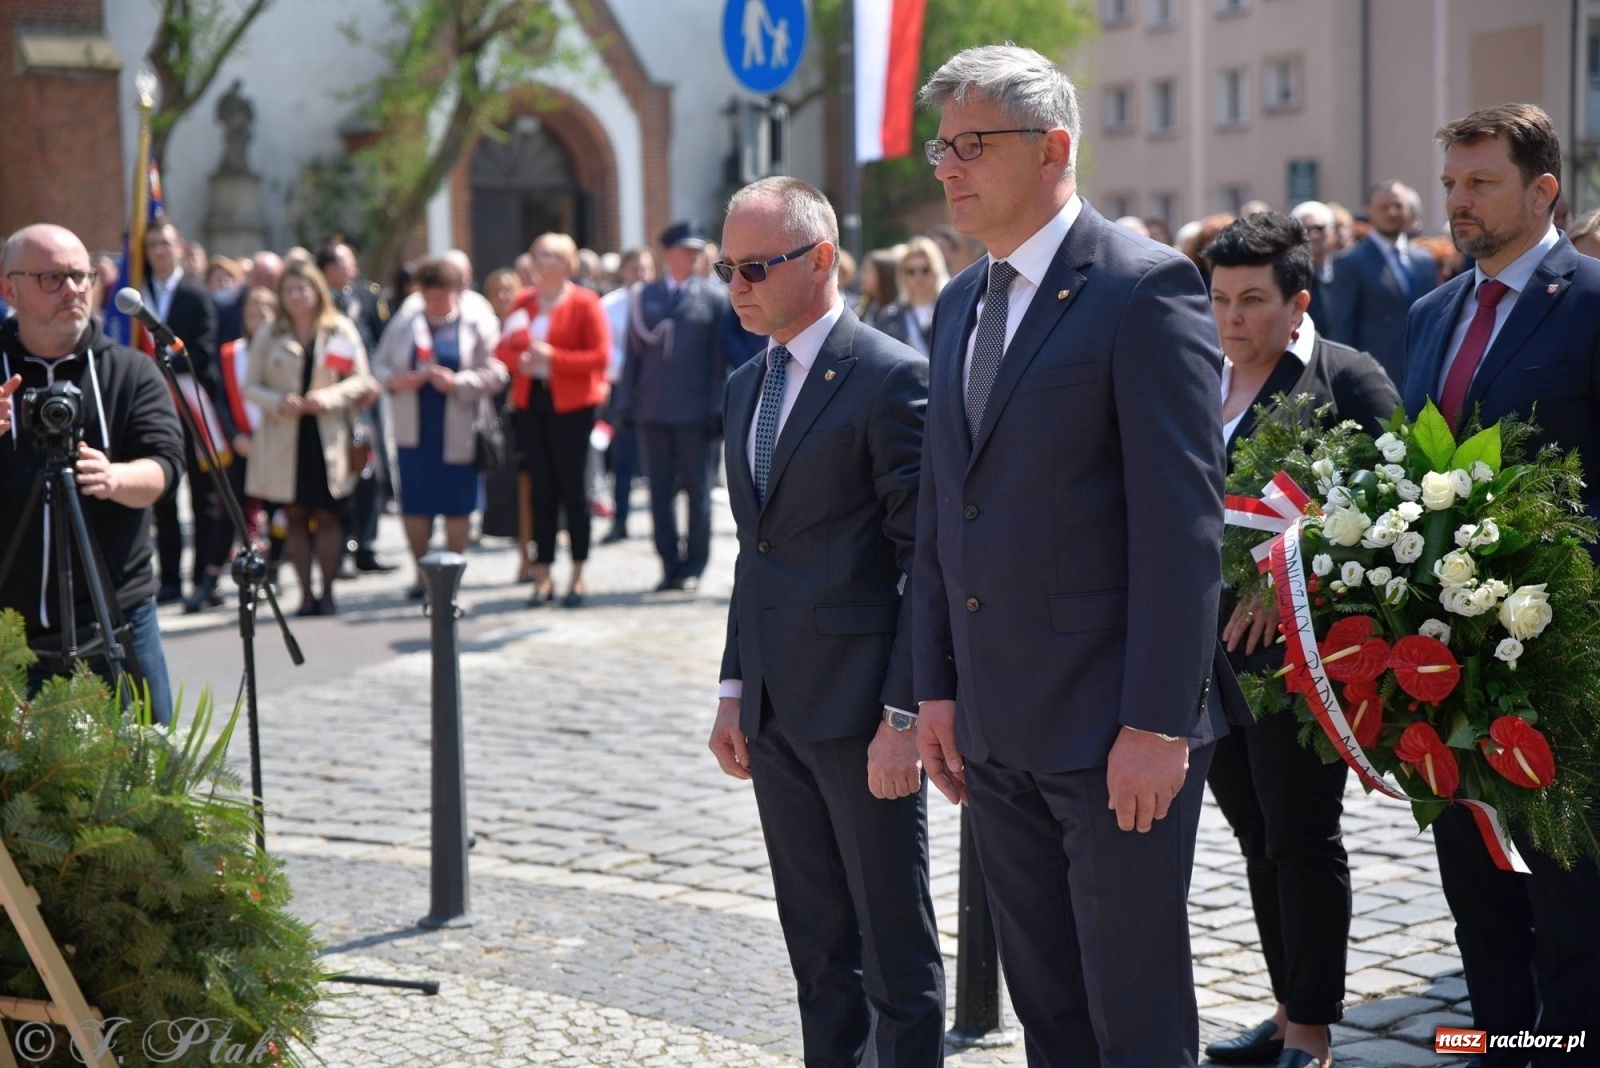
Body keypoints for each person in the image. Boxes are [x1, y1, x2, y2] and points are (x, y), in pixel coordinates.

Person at [910, 45, 1251, 1067]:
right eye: (942, 145)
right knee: (1048, 1009)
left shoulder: (1144, 289)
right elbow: (942, 513)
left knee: (1132, 1012)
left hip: (1113, 729)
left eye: (973, 144)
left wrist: (1156, 722)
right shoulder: (959, 301)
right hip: (994, 721)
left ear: (1054, 147)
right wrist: (931, 689)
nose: (948, 166)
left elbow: (1182, 526)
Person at [707, 176, 942, 1067]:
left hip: (862, 715)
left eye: (757, 266)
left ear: (822, 260)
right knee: (816, 947)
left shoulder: (890, 377)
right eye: (728, 267)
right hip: (773, 713)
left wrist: (903, 715)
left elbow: (923, 559)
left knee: (894, 949)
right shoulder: (742, 385)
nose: (739, 286)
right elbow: (753, 551)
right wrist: (734, 690)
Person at [1401, 102, 1600, 1068]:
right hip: (1441, 665)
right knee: (1472, 877)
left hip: (1560, 658)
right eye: (1450, 185)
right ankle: (1497, 1045)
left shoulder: (1594, 302)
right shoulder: (1430, 314)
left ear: (1542, 189)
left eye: (1479, 183)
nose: (1458, 203)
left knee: (1566, 889)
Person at [1202, 213, 1399, 1068]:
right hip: (1202, 655)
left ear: (1298, 302)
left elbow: (1401, 515)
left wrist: (1285, 579)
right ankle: (1286, 1012)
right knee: (1254, 838)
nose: (1232, 319)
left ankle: (1313, 1031)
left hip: (1300, 661)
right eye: (1219, 300)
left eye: (1252, 300)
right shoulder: (1193, 378)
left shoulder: (1346, 380)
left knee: (1301, 838)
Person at [0, 224, 185, 725]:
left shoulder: (131, 370)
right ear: (8, 288)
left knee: (148, 777)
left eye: (81, 276)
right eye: (52, 278)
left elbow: (166, 465)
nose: (73, 290)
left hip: (118, 622)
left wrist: (116, 478)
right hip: (8, 634)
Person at [243, 261, 375, 616]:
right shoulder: (270, 334)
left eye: (304, 289)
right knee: (296, 515)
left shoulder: (339, 329)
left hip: (326, 434)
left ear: (317, 290)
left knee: (329, 515)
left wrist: (327, 398)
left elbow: (360, 378)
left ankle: (328, 591)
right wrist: (278, 402)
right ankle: (304, 594)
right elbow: (250, 386)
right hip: (286, 436)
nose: (298, 296)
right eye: (290, 290)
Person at [372, 258, 507, 599]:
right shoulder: (407, 321)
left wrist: (459, 382)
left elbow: (497, 371)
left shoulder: (475, 320)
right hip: (415, 428)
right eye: (429, 296)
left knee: (457, 503)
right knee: (415, 503)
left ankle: (451, 574)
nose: (435, 304)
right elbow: (379, 365)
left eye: (441, 297)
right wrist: (398, 381)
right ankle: (423, 572)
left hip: (458, 427)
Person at [615, 220, 730, 593]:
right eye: (687, 250)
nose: (695, 257)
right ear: (668, 254)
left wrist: (717, 408)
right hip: (652, 410)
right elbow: (632, 355)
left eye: (698, 250)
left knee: (698, 492)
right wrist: (624, 401)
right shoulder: (643, 297)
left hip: (695, 413)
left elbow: (718, 361)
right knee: (659, 493)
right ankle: (668, 563)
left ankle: (694, 564)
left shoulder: (712, 299)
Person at [494, 235, 608, 607]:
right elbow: (503, 348)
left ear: (564, 263)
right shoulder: (525, 301)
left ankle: (577, 574)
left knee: (573, 491)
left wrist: (554, 357)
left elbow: (599, 357)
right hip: (533, 403)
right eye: (536, 253)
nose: (536, 260)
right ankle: (542, 574)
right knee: (540, 491)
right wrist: (520, 361)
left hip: (573, 406)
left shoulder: (585, 302)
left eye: (546, 255)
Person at [142, 221, 229, 609]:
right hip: (154, 406)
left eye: (166, 243)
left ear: (179, 247)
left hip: (191, 403)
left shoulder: (195, 293)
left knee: (203, 495)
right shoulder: (136, 294)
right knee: (163, 494)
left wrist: (170, 370)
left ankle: (203, 578)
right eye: (153, 244)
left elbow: (204, 348)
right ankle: (170, 579)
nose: (160, 250)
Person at [317, 241, 395, 576]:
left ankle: (367, 544)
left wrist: (373, 380)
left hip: (367, 398)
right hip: (334, 400)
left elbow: (380, 342)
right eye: (345, 263)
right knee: (341, 471)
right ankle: (343, 546)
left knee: (369, 472)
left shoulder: (366, 296)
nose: (354, 270)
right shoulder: (319, 302)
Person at [1325, 180, 1437, 383]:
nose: (1392, 212)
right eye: (1384, 207)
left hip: (1422, 374)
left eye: (1398, 206)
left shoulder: (1425, 261)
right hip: (1375, 378)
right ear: (1369, 211)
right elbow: (1343, 329)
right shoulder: (1351, 263)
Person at [212, 286, 279, 586]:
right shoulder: (231, 353)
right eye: (252, 314)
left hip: (277, 442)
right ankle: (211, 574)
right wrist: (234, 435)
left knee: (277, 512)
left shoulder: (284, 350)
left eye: (264, 313)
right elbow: (222, 399)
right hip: (242, 441)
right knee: (232, 507)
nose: (257, 319)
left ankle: (273, 567)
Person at [598, 248, 655, 543]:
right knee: (622, 460)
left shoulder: (660, 301)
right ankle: (620, 520)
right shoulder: (609, 306)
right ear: (623, 271)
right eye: (635, 268)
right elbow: (606, 350)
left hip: (657, 390)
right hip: (624, 389)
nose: (641, 275)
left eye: (646, 268)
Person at [875, 235, 949, 356]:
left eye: (925, 270)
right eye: (911, 271)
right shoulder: (890, 317)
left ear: (937, 270)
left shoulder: (951, 310)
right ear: (902, 275)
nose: (918, 277)